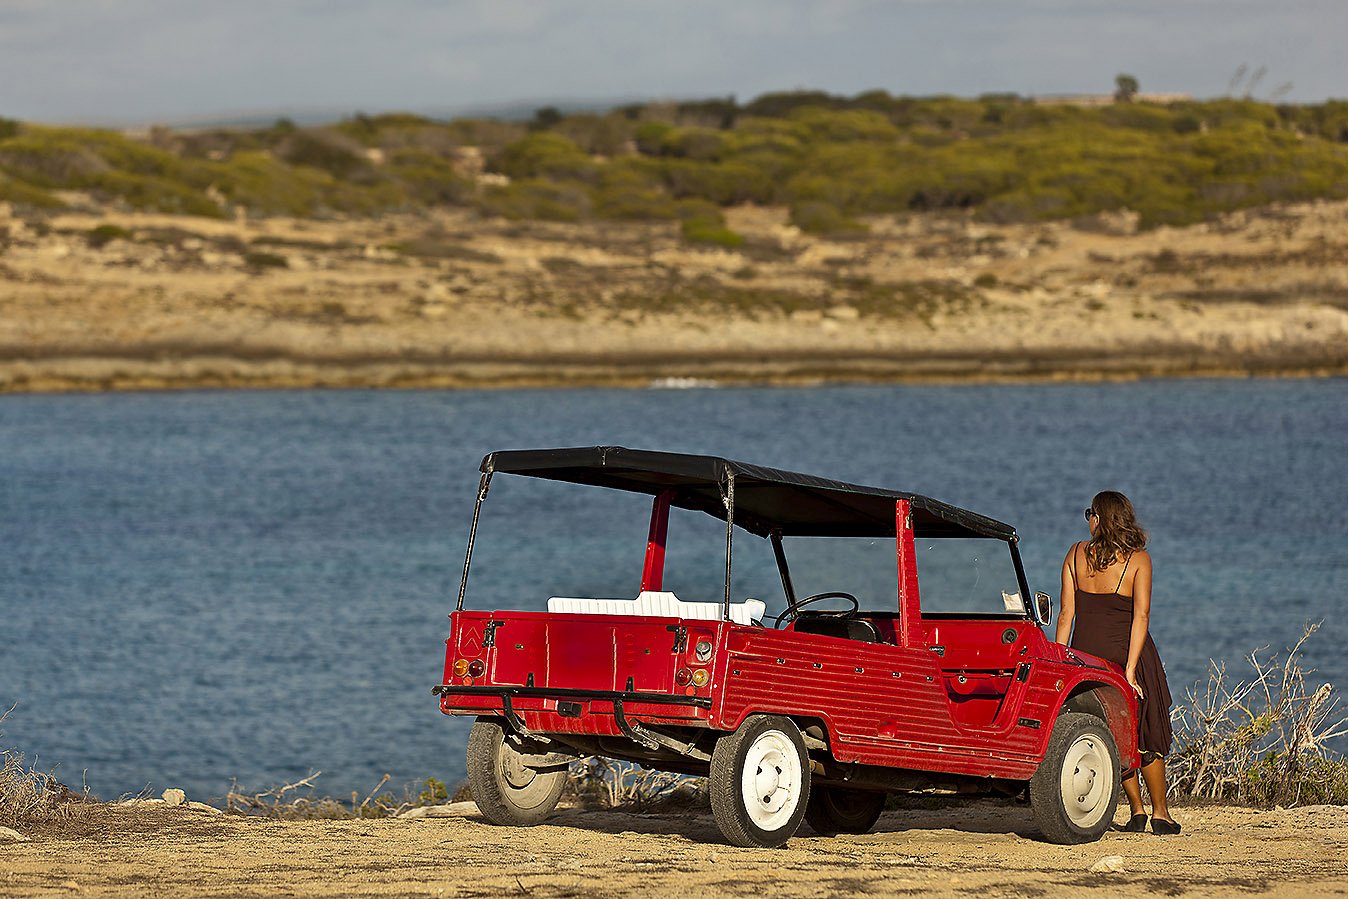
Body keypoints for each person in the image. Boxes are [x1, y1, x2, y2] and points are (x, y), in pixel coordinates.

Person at [1056, 491, 1180, 835]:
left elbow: (1067, 614)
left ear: (1099, 518)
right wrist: (1130, 669)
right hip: (1127, 656)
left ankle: (1137, 810)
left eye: (1089, 514)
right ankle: (1160, 814)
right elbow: (1141, 616)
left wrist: (1060, 661)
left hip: (1085, 658)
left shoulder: (1075, 554)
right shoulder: (1138, 560)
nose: (1088, 520)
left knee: (1110, 731)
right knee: (1146, 732)